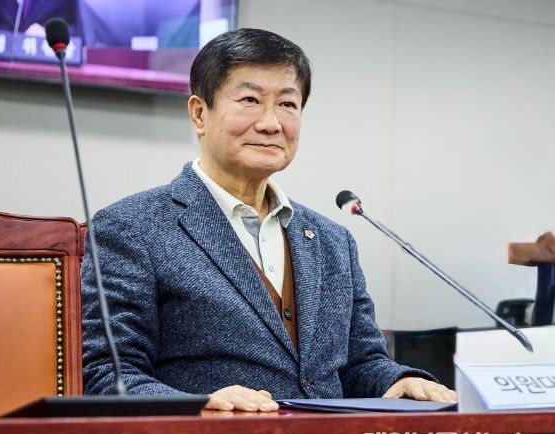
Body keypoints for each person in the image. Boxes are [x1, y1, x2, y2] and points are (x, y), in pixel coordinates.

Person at [82, 28, 457, 411]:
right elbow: (107, 376)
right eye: (250, 100)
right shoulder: (130, 228)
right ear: (199, 113)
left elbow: (361, 364)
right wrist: (197, 405)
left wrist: (399, 380)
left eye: (288, 104)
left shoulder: (334, 241)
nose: (271, 123)